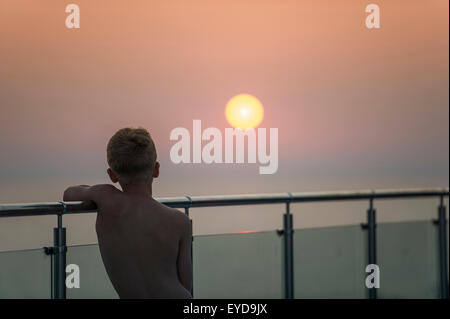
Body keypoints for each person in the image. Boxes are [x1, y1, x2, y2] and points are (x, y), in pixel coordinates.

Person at [63, 127, 192, 298]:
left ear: (112, 175)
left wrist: (97, 190)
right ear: (156, 170)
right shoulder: (179, 220)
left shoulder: (106, 199)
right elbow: (186, 284)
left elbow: (69, 194)